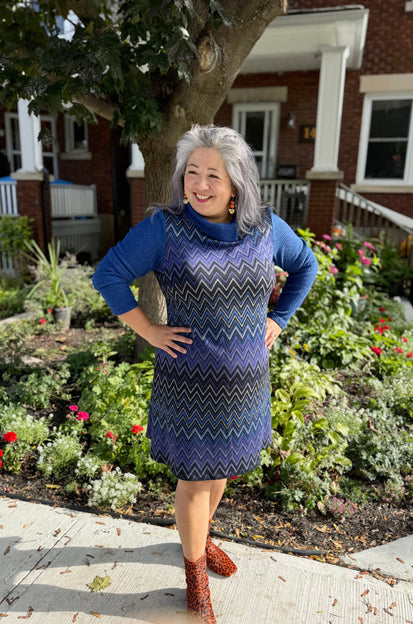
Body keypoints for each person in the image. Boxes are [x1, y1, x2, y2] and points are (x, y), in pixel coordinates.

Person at [92, 124, 318, 623]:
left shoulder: (265, 229)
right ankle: (196, 579)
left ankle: (201, 538)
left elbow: (306, 267)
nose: (200, 184)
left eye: (212, 174)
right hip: (189, 386)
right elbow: (107, 274)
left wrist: (277, 319)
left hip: (245, 386)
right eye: (191, 172)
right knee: (195, 481)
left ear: (236, 182)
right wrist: (149, 330)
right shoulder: (165, 229)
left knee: (219, 473)